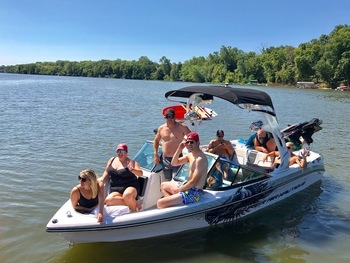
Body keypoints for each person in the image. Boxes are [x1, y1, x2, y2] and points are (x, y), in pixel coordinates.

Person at [157, 132, 208, 208]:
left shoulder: (200, 159)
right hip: (187, 187)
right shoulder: (190, 155)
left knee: (160, 203)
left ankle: (171, 206)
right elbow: (174, 163)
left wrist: (179, 190)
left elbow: (194, 182)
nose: (189, 144)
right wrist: (179, 149)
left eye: (192, 142)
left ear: (198, 143)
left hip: (194, 193)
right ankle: (173, 206)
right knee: (163, 185)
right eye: (187, 142)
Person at [100, 143, 143, 212]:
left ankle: (134, 211)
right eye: (118, 151)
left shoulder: (131, 162)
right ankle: (133, 203)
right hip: (115, 189)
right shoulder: (112, 160)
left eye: (122, 151)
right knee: (108, 200)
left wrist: (132, 170)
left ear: (126, 153)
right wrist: (102, 180)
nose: (120, 153)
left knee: (127, 195)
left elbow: (140, 173)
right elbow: (107, 171)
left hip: (130, 187)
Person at [153, 108, 191, 180]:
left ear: (175, 117)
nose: (170, 119)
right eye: (168, 117)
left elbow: (192, 138)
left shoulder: (182, 127)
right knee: (168, 179)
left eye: (171, 117)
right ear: (165, 117)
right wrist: (155, 154)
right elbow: (156, 141)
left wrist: (188, 146)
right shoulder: (161, 128)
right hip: (165, 159)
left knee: (176, 181)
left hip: (177, 158)